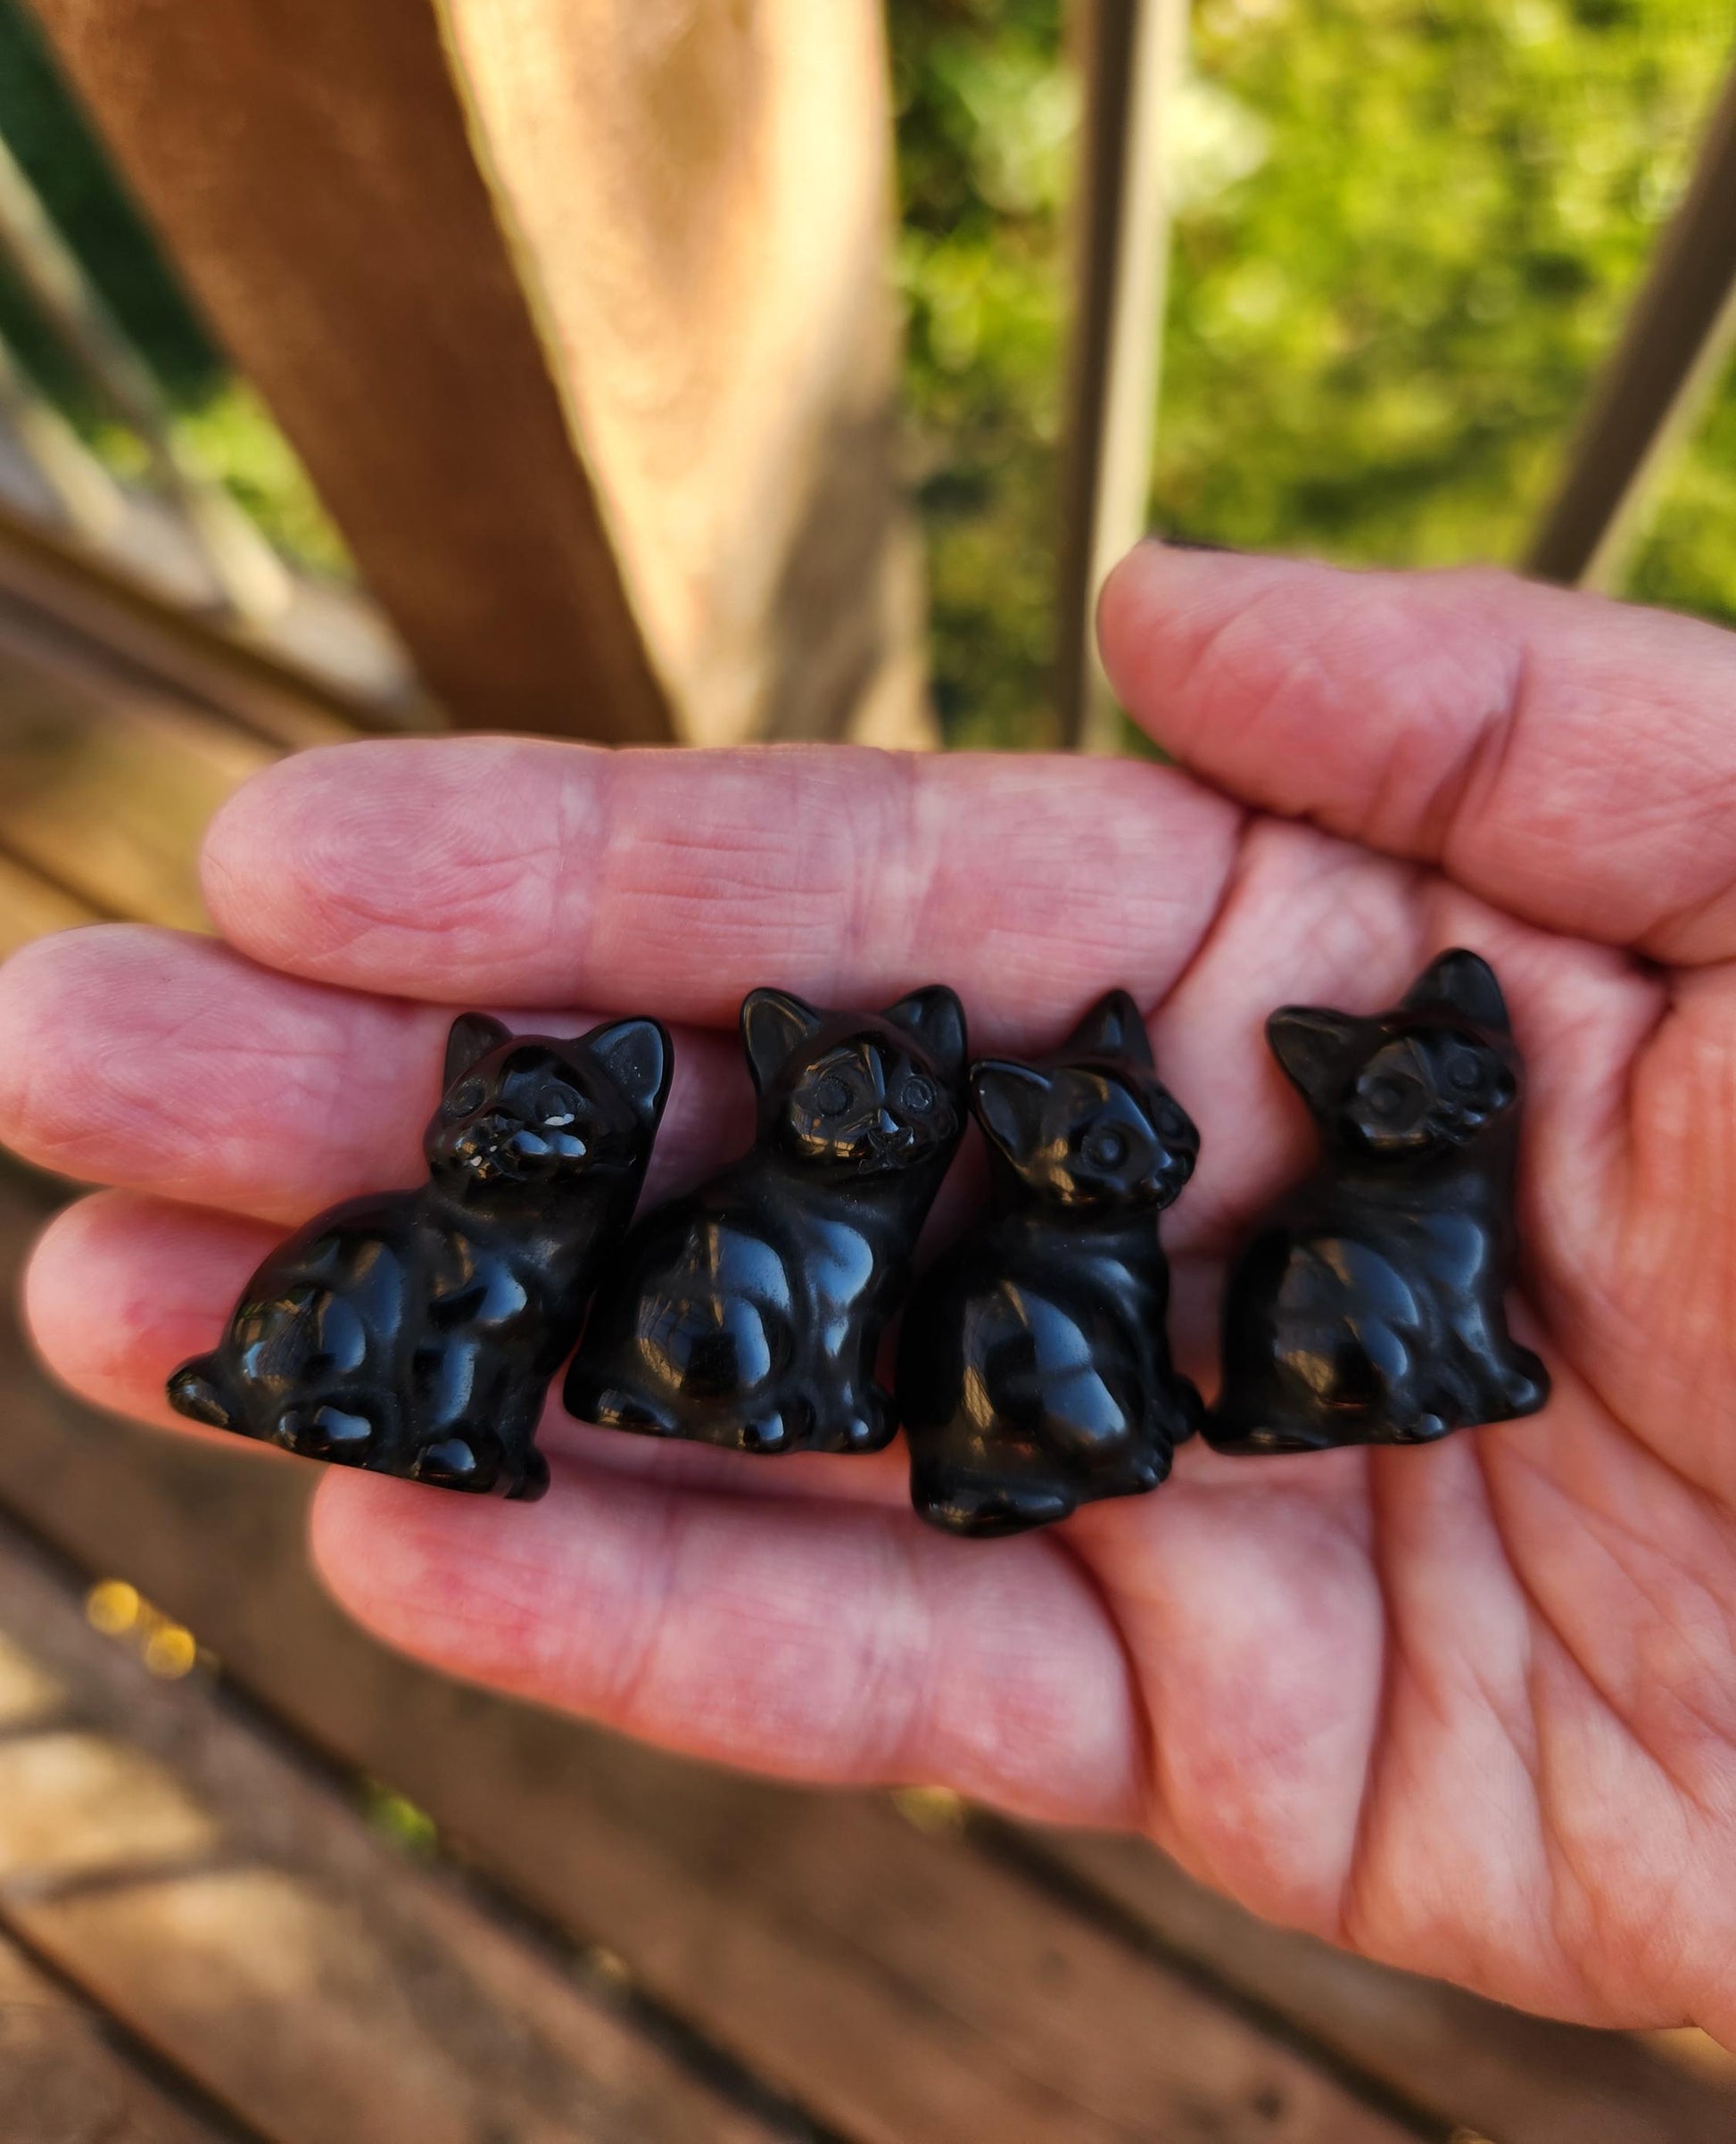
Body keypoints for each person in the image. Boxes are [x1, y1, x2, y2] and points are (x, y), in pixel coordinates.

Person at [1, 543, 1732, 2049]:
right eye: (823, 1096)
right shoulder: (845, 1200)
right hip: (827, 1360)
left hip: (1052, 1376)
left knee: (1029, 1326)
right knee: (801, 1312)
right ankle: (477, 1408)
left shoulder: (1042, 1200)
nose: (857, 1120)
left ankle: (673, 1414)